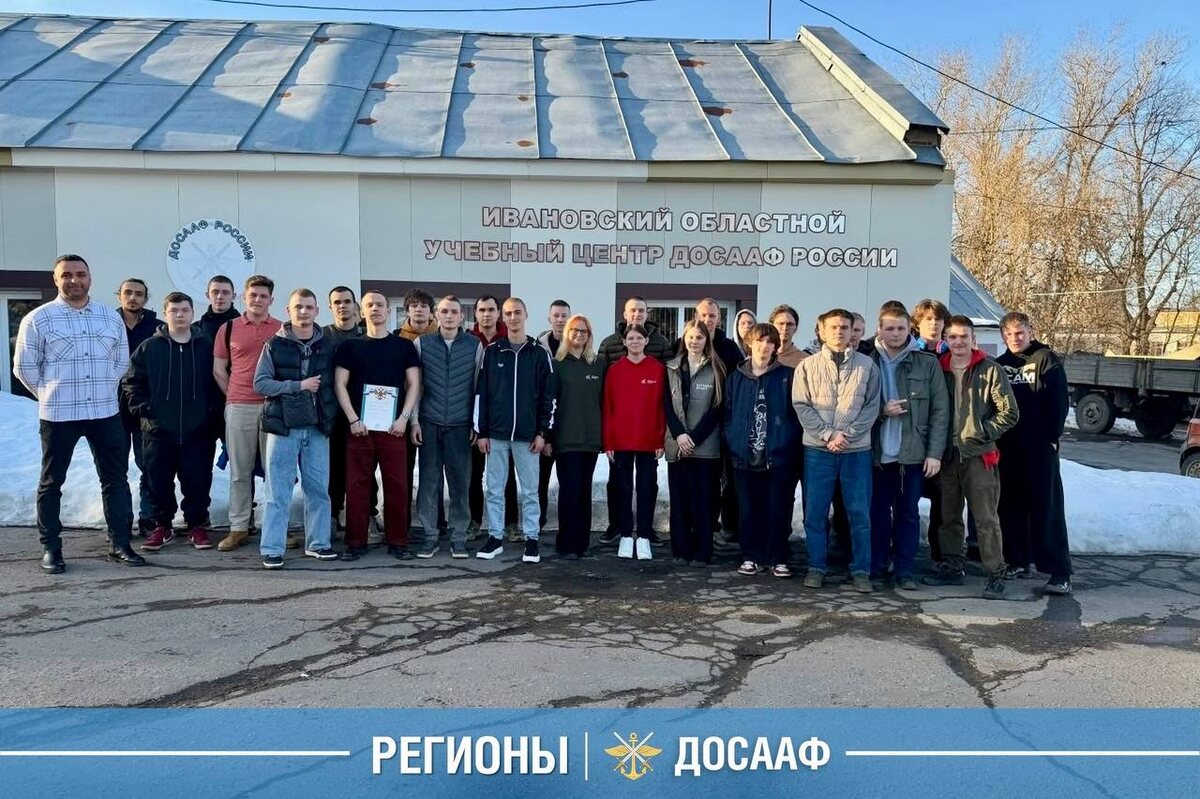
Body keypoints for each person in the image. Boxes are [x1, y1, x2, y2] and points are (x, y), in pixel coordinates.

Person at [14, 254, 145, 572]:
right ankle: (51, 548)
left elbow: (120, 362)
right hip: (59, 415)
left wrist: (102, 389)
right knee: (52, 482)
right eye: (67, 275)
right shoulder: (38, 319)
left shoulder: (108, 317)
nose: (75, 280)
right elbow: (24, 368)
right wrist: (49, 394)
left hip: (104, 412)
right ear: (55, 279)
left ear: (90, 278)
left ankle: (120, 543)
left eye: (81, 274)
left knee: (115, 480)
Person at [922, 316, 1019, 599]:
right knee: (949, 516)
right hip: (947, 455)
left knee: (985, 518)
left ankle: (995, 572)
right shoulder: (939, 368)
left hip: (978, 455)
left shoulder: (990, 369)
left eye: (964, 336)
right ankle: (953, 566)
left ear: (972, 338)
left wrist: (982, 431)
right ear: (946, 340)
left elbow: (1010, 413)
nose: (958, 342)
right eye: (953, 337)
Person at [792, 308, 881, 593]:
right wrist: (828, 434)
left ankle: (861, 571)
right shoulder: (807, 366)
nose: (839, 332)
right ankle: (816, 568)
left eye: (844, 327)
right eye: (833, 327)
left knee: (859, 514)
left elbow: (872, 406)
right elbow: (801, 406)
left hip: (856, 452)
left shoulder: (867, 366)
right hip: (818, 451)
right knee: (815, 513)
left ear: (852, 330)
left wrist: (848, 435)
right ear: (821, 331)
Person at [122, 292, 218, 551]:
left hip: (198, 432)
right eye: (174, 310)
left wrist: (210, 413)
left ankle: (196, 525)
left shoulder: (206, 346)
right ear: (165, 314)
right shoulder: (149, 348)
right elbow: (131, 382)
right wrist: (145, 410)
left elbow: (218, 381)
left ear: (192, 313)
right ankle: (161, 526)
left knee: (198, 480)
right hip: (158, 431)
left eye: (184, 310)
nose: (179, 315)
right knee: (157, 481)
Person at [253, 288, 340, 569]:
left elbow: (337, 384)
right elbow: (260, 383)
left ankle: (318, 543)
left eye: (309, 307)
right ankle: (272, 549)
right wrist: (298, 386)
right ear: (288, 311)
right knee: (277, 491)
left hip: (317, 428)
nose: (303, 311)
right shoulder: (273, 345)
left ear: (317, 311)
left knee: (318, 489)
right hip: (283, 428)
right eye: (298, 307)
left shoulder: (329, 345)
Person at [333, 290, 422, 561]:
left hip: (394, 429)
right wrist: (353, 419)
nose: (375, 309)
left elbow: (414, 384)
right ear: (362, 311)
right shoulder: (350, 347)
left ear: (388, 310)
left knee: (397, 485)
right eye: (369, 305)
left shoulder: (404, 347)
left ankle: (398, 541)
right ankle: (355, 542)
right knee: (356, 486)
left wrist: (404, 418)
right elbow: (340, 385)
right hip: (359, 429)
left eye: (380, 304)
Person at [869, 301, 949, 590]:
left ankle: (904, 570)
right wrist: (882, 412)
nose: (895, 334)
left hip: (912, 455)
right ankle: (877, 566)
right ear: (879, 329)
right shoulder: (867, 361)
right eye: (889, 328)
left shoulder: (926, 363)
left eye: (900, 328)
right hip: (876, 456)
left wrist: (934, 453)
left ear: (909, 329)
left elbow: (940, 411)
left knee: (908, 514)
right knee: (877, 514)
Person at [996, 312, 1073, 595]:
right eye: (1009, 334)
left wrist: (1052, 437)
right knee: (1010, 506)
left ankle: (1059, 572)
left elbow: (1059, 402)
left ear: (1030, 332)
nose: (1015, 338)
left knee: (1046, 507)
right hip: (1007, 448)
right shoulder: (1000, 364)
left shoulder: (1046, 359)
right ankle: (1017, 560)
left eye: (1020, 333)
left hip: (1039, 447)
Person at [475, 298, 556, 564]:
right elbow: (482, 394)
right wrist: (482, 431)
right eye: (508, 313)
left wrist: (542, 432)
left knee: (530, 491)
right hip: (496, 435)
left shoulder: (539, 352)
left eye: (517, 312)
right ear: (503, 317)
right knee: (494, 489)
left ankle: (531, 539)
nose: (513, 318)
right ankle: (495, 537)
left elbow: (549, 396)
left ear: (526, 314)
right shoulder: (492, 351)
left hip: (527, 436)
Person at [726, 323, 803, 577]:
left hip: (779, 456)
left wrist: (787, 442)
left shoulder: (787, 376)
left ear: (775, 347)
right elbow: (727, 414)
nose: (764, 346)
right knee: (749, 510)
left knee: (778, 509)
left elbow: (796, 414)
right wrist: (734, 441)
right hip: (745, 456)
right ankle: (751, 556)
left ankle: (777, 557)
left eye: (770, 342)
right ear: (750, 343)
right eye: (760, 341)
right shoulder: (736, 377)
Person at [213, 275, 281, 552]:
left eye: (263, 296)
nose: (257, 300)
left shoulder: (281, 329)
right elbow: (219, 369)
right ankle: (239, 527)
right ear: (244, 297)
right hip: (239, 406)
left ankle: (275, 527)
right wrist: (233, 394)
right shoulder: (228, 328)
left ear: (271, 300)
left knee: (274, 471)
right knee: (239, 471)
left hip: (273, 406)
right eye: (253, 295)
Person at [410, 295, 482, 560]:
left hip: (460, 426)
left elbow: (478, 387)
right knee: (429, 483)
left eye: (454, 312)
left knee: (461, 484)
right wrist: (414, 421)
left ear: (461, 316)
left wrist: (476, 424)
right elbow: (415, 387)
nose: (449, 316)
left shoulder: (474, 345)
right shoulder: (422, 344)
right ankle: (430, 536)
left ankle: (459, 538)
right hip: (429, 423)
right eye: (444, 311)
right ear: (436, 315)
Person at [596, 296, 671, 546]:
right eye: (631, 338)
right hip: (621, 439)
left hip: (649, 439)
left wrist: (661, 438)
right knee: (621, 486)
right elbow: (608, 406)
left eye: (639, 338)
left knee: (647, 487)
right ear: (624, 341)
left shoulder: (658, 369)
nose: (635, 341)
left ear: (646, 341)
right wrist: (608, 441)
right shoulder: (614, 369)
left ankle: (646, 531)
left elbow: (662, 407)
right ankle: (624, 530)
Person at [665, 320, 725, 567]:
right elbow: (666, 406)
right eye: (690, 336)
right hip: (677, 445)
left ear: (706, 340)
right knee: (680, 502)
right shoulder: (670, 367)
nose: (694, 341)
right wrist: (680, 435)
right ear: (683, 338)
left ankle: (702, 551)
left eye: (699, 337)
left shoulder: (716, 368)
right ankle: (681, 550)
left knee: (703, 502)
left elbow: (717, 408)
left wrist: (695, 438)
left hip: (705, 447)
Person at [690, 298, 744, 550]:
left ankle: (729, 527)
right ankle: (705, 526)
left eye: (712, 315)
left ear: (719, 319)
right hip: (697, 426)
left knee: (728, 480)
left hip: (725, 424)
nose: (707, 320)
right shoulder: (688, 343)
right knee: (704, 481)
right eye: (703, 315)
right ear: (696, 316)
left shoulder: (729, 348)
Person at [551, 314, 605, 559]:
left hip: (590, 439)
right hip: (566, 439)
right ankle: (566, 543)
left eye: (584, 331)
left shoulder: (598, 364)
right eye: (575, 330)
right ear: (567, 334)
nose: (579, 335)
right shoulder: (557, 365)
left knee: (584, 492)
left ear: (589, 335)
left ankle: (582, 543)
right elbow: (550, 403)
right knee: (569, 492)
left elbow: (604, 402)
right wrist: (548, 437)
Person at [467, 295, 519, 540]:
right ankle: (474, 521)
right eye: (482, 310)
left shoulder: (509, 340)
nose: (486, 314)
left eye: (491, 309)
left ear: (498, 313)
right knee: (474, 474)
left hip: (503, 421)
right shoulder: (468, 340)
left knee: (506, 475)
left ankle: (511, 523)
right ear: (476, 313)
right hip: (474, 418)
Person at [323, 285, 370, 538]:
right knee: (333, 466)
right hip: (331, 413)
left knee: (365, 466)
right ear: (330, 307)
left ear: (355, 305)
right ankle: (332, 514)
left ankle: (368, 515)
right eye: (337, 302)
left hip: (364, 412)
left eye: (347, 301)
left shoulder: (366, 336)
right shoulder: (323, 336)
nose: (343, 306)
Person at [116, 277, 159, 536]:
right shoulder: (108, 324)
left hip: (145, 407)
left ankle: (148, 518)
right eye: (128, 293)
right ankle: (120, 520)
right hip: (113, 409)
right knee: (116, 469)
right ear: (120, 296)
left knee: (149, 466)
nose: (133, 298)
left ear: (145, 298)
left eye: (139, 294)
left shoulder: (157, 328)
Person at [911, 298, 952, 562]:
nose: (933, 324)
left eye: (938, 319)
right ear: (918, 323)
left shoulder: (952, 355)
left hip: (943, 440)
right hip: (913, 438)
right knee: (906, 502)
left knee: (944, 503)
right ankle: (903, 555)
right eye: (928, 319)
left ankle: (941, 557)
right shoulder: (909, 353)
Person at [537, 299, 571, 531]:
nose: (560, 320)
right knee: (540, 481)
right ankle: (538, 523)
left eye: (563, 316)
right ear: (549, 318)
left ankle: (567, 527)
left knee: (568, 483)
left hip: (568, 428)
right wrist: (545, 435)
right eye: (556, 316)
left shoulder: (577, 346)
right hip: (544, 427)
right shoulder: (538, 348)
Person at [598, 296, 673, 364]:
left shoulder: (661, 342)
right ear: (625, 315)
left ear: (646, 315)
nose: (637, 314)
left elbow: (670, 371)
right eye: (633, 310)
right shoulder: (608, 344)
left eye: (641, 311)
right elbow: (600, 371)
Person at [199, 275, 239, 342]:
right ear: (207, 295)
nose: (220, 296)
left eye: (225, 292)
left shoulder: (244, 327)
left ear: (234, 296)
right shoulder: (196, 330)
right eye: (215, 292)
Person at [770, 304, 807, 369]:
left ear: (796, 328)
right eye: (781, 324)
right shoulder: (759, 356)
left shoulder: (805, 361)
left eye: (790, 324)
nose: (785, 328)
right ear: (771, 326)